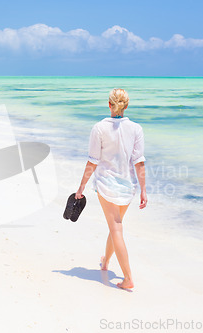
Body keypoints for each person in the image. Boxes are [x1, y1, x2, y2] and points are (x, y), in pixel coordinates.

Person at [75, 88, 147, 289]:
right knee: (115, 225)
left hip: (106, 185)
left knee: (115, 226)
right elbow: (139, 163)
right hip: (127, 188)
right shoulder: (136, 129)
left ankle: (128, 278)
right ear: (127, 105)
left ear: (109, 104)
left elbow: (92, 162)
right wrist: (143, 190)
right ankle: (106, 262)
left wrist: (80, 188)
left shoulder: (99, 128)